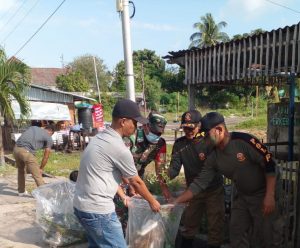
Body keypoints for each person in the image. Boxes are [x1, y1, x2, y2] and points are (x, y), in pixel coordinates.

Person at [174, 112, 280, 248]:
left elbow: (269, 163)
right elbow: (199, 183)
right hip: (242, 196)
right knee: (236, 233)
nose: (203, 139)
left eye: (206, 135)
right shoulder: (213, 156)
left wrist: (270, 195)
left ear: (219, 130)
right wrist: (175, 202)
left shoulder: (244, 141)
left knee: (267, 236)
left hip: (264, 193)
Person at [73, 99, 161, 248]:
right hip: (99, 212)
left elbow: (107, 172)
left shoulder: (100, 137)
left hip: (81, 207)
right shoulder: (119, 147)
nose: (136, 127)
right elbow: (137, 181)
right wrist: (153, 202)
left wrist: (126, 191)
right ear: (123, 121)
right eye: (134, 123)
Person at [168, 110, 224, 248]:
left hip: (214, 190)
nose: (188, 131)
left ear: (199, 126)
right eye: (185, 128)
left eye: (191, 128)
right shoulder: (180, 145)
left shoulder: (209, 142)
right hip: (193, 192)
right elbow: (173, 170)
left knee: (215, 227)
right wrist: (163, 174)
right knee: (189, 225)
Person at [13, 125, 54, 196]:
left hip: (16, 150)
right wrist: (41, 168)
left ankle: (21, 192)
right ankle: (45, 195)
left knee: (21, 171)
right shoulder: (48, 137)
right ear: (50, 132)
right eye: (51, 134)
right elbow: (46, 156)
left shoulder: (33, 127)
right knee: (37, 174)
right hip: (26, 152)